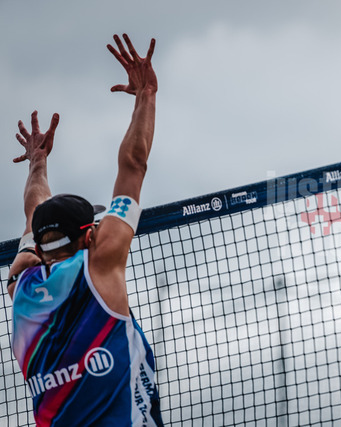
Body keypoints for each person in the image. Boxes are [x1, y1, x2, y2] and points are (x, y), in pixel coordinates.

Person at [6, 34, 162, 426]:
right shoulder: (99, 265)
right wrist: (146, 94)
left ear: (40, 247)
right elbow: (134, 165)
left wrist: (37, 163)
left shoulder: (21, 286)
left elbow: (34, 213)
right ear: (90, 236)